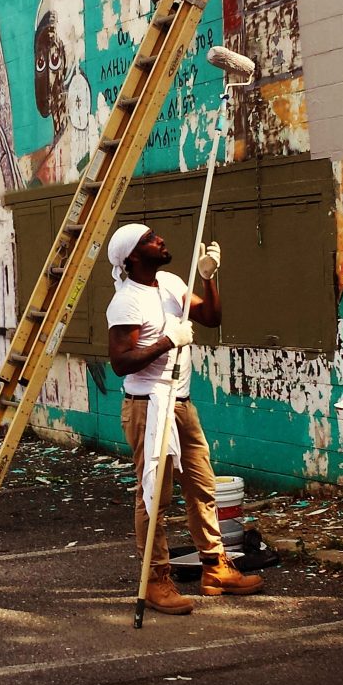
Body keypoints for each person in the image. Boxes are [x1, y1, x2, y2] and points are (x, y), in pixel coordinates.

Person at [106, 223, 264, 615]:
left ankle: (215, 567)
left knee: (202, 486)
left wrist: (210, 278)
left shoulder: (173, 282)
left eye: (155, 235)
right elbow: (120, 363)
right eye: (149, 239)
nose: (160, 240)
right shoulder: (126, 302)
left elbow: (211, 317)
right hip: (148, 407)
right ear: (133, 256)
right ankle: (156, 579)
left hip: (181, 404)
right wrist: (166, 340)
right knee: (153, 496)